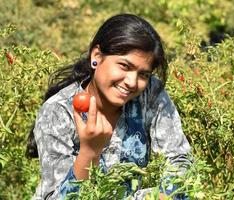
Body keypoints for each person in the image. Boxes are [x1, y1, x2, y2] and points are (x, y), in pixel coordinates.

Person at [27, 13, 192, 200]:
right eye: (124, 66)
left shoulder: (150, 93)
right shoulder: (57, 112)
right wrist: (90, 151)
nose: (132, 82)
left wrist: (164, 195)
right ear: (96, 56)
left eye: (143, 74)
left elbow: (179, 160)